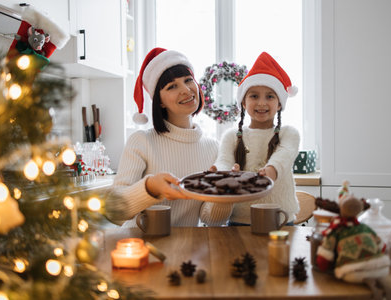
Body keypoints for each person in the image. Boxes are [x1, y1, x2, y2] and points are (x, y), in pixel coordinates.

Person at [106, 47, 232, 227]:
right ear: (160, 101)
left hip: (188, 247)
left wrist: (224, 194)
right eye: (172, 86)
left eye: (188, 80)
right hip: (142, 247)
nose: (186, 90)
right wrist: (150, 187)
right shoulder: (141, 142)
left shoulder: (213, 147)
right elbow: (114, 210)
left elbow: (211, 219)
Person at [211, 52, 300, 225]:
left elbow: (284, 154)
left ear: (279, 103)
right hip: (239, 219)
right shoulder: (231, 136)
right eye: (254, 96)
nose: (261, 103)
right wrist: (221, 172)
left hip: (281, 219)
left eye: (269, 96)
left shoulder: (288, 133)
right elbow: (224, 161)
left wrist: (272, 170)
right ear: (243, 102)